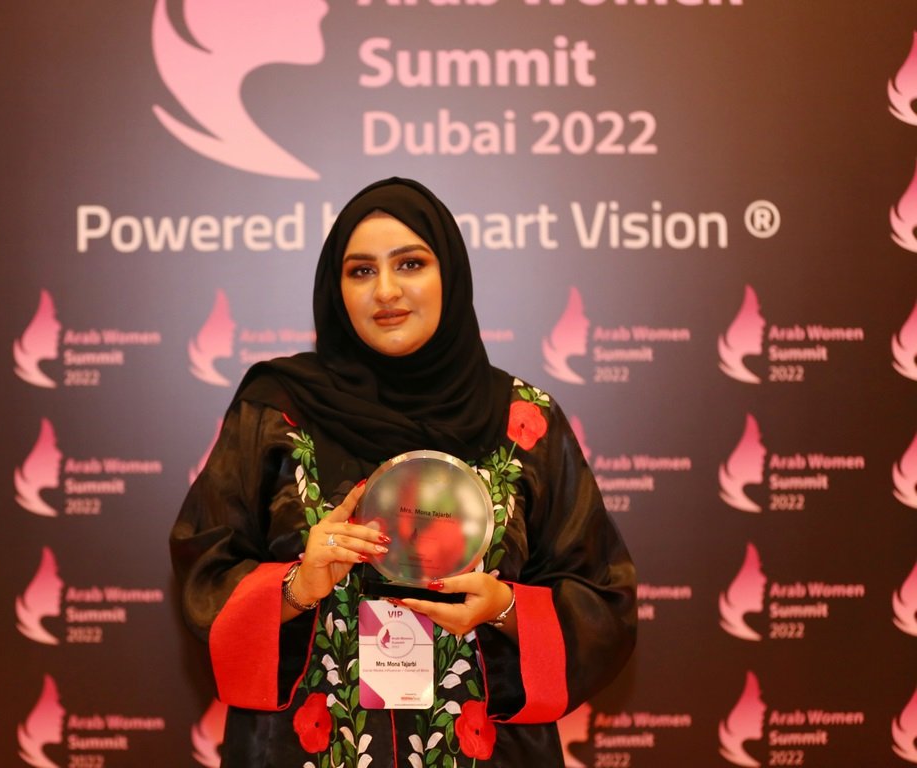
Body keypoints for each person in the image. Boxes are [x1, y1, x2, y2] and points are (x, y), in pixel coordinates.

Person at [171, 177, 636, 766]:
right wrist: (295, 588)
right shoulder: (277, 411)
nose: (386, 290)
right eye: (361, 271)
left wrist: (504, 607)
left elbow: (604, 597)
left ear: (450, 275)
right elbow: (204, 571)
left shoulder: (524, 420)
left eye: (410, 263)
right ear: (336, 290)